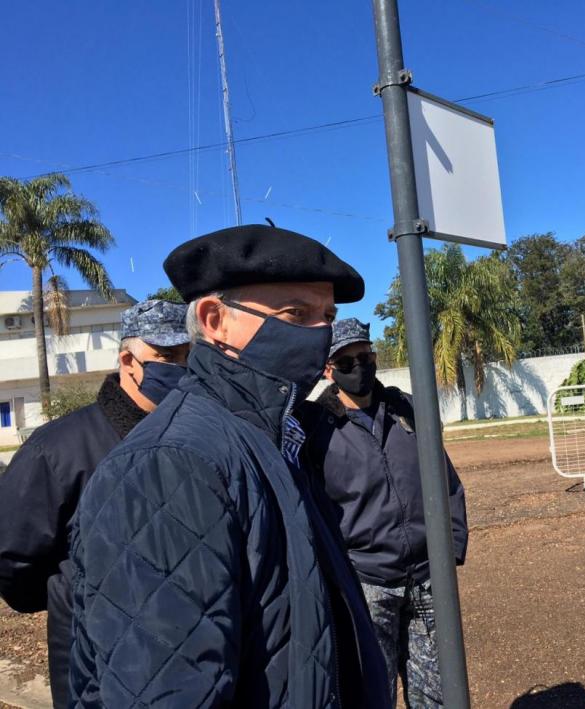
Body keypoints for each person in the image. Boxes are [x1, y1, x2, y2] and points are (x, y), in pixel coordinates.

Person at [69, 225, 388, 708]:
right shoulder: (172, 465)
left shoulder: (277, 437)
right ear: (215, 320)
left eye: (327, 316)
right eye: (295, 314)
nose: (321, 334)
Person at [0, 299, 190, 709]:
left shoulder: (196, 438)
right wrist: (68, 594)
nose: (181, 368)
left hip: (192, 655)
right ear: (128, 360)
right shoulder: (55, 450)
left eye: (190, 357)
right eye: (168, 356)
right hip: (95, 665)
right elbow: (14, 557)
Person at [298, 318, 468, 708]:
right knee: (372, 694)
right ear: (328, 370)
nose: (359, 367)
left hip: (428, 577)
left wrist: (451, 546)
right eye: (345, 362)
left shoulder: (404, 409)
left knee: (439, 694)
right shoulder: (315, 425)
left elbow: (447, 478)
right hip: (366, 583)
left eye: (365, 356)